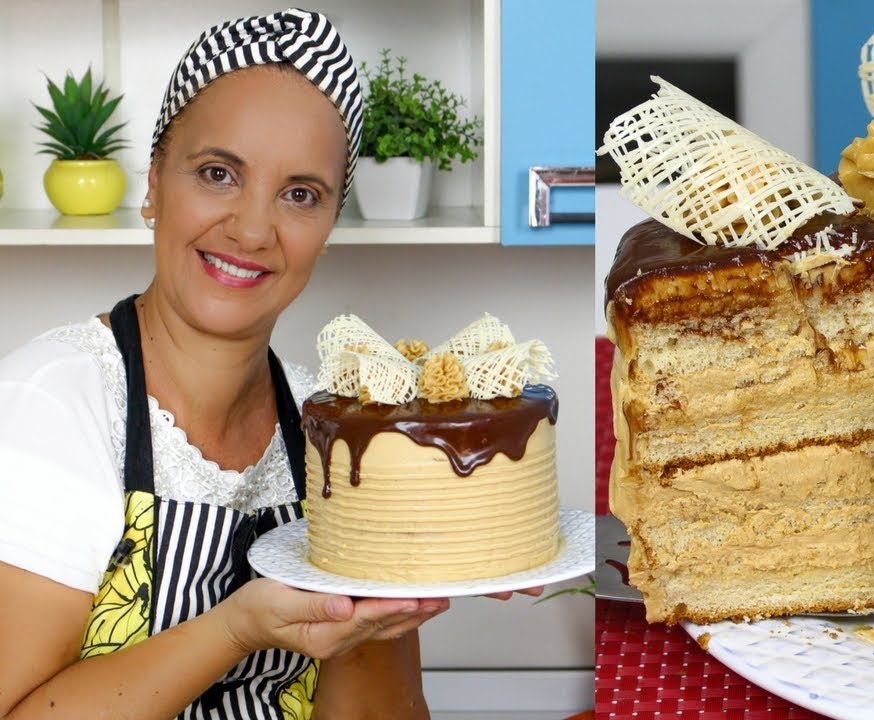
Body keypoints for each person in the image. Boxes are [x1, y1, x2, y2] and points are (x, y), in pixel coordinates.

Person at [0, 9, 520, 719]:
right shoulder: (52, 406)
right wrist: (235, 629)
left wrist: (385, 589)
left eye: (300, 194)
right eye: (218, 174)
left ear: (328, 227)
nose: (250, 229)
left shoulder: (338, 430)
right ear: (154, 184)